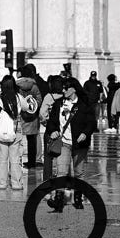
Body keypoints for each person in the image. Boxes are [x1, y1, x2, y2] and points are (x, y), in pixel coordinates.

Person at [46, 77, 97, 212]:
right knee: (61, 172)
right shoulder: (58, 104)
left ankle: (78, 198)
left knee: (79, 173)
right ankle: (58, 201)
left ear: (73, 89)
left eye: (65, 88)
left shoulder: (84, 104)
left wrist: (85, 133)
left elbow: (92, 123)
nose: (63, 90)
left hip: (79, 144)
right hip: (63, 143)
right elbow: (51, 122)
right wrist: (53, 131)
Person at [0, 75, 29, 190]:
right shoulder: (19, 97)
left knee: (2, 160)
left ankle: (1, 183)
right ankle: (16, 184)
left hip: (2, 131)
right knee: (15, 159)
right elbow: (27, 107)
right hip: (16, 130)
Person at [39, 75, 64, 182]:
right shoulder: (64, 96)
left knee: (48, 157)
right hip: (63, 130)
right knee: (63, 156)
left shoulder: (49, 97)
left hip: (51, 129)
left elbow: (42, 114)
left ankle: (47, 180)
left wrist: (46, 123)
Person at [17, 65, 43, 169]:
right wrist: (33, 107)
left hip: (21, 116)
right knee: (32, 140)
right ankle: (32, 162)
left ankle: (17, 161)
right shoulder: (34, 86)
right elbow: (39, 100)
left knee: (18, 141)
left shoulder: (17, 86)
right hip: (32, 117)